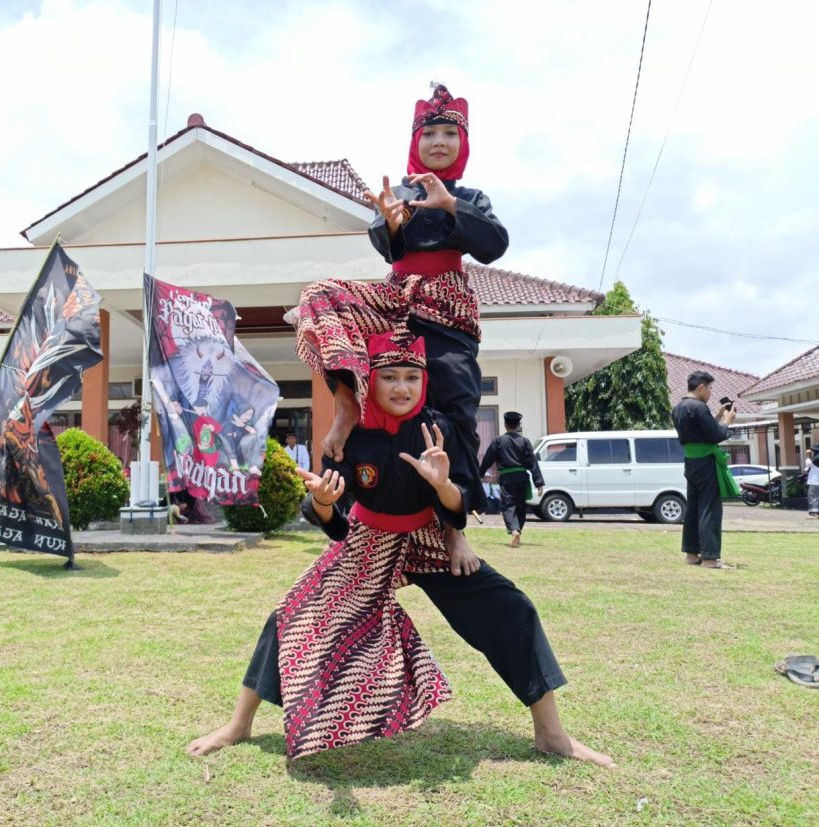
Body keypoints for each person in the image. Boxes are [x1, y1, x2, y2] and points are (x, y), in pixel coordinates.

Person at [187, 333, 614, 768]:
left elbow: (461, 501)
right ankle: (238, 724)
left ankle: (551, 734)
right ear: (371, 382)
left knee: (511, 608)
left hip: (429, 538)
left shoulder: (439, 428)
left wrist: (444, 487)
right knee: (290, 614)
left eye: (412, 377)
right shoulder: (352, 434)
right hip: (367, 539)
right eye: (389, 377)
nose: (401, 387)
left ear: (424, 382)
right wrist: (322, 503)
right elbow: (330, 516)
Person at [285, 82, 509, 561]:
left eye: (450, 133)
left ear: (462, 143)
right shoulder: (400, 192)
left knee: (459, 412)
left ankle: (454, 528)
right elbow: (387, 246)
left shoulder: (470, 195)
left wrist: (451, 206)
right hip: (395, 298)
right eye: (430, 134)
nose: (440, 142)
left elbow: (494, 245)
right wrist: (389, 223)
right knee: (319, 298)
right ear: (416, 142)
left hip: (448, 311)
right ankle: (347, 405)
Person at [671, 371, 738, 569]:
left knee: (693, 507)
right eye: (709, 388)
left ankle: (691, 554)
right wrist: (728, 420)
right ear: (700, 387)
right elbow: (715, 435)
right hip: (706, 463)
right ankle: (710, 558)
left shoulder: (678, 408)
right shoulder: (699, 407)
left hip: (691, 462)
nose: (710, 392)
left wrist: (717, 415)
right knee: (710, 507)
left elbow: (701, 431)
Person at [479, 411, 544, 547]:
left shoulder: (498, 441)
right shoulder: (525, 441)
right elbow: (532, 462)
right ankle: (518, 529)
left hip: (507, 477)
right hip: (522, 477)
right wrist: (539, 483)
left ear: (505, 424)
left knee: (508, 505)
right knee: (520, 506)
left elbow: (488, 459)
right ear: (518, 425)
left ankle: (514, 530)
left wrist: (479, 475)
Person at [806, 449, 819, 518]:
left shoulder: (816, 460)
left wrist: (808, 455)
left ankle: (814, 513)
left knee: (813, 496)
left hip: (815, 482)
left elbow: (808, 463)